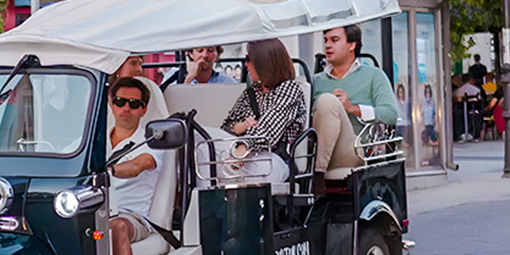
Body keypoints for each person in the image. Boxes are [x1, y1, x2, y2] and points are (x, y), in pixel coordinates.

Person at [107, 76, 165, 255]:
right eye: (120, 101)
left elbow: (138, 166)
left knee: (117, 227)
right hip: (90, 208)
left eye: (133, 103)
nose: (126, 108)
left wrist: (107, 170)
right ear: (111, 104)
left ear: (143, 109)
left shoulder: (152, 140)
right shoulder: (93, 139)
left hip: (133, 217)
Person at [311, 24, 398, 189]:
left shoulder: (374, 76)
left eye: (334, 40)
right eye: (326, 40)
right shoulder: (315, 81)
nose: (328, 45)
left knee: (327, 101)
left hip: (354, 150)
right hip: (316, 148)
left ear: (352, 45)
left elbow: (391, 114)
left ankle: (317, 174)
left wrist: (354, 108)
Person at [220, 39, 307, 181]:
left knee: (255, 173)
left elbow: (269, 130)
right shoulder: (251, 93)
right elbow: (225, 127)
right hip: (242, 157)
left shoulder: (289, 89)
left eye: (249, 59)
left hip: (274, 158)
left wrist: (244, 146)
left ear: (264, 62)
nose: (246, 64)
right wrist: (239, 127)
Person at [162, 45, 234, 88]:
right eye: (199, 51)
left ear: (217, 54)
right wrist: (189, 77)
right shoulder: (173, 76)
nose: (205, 55)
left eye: (210, 50)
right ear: (190, 54)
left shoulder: (227, 82)